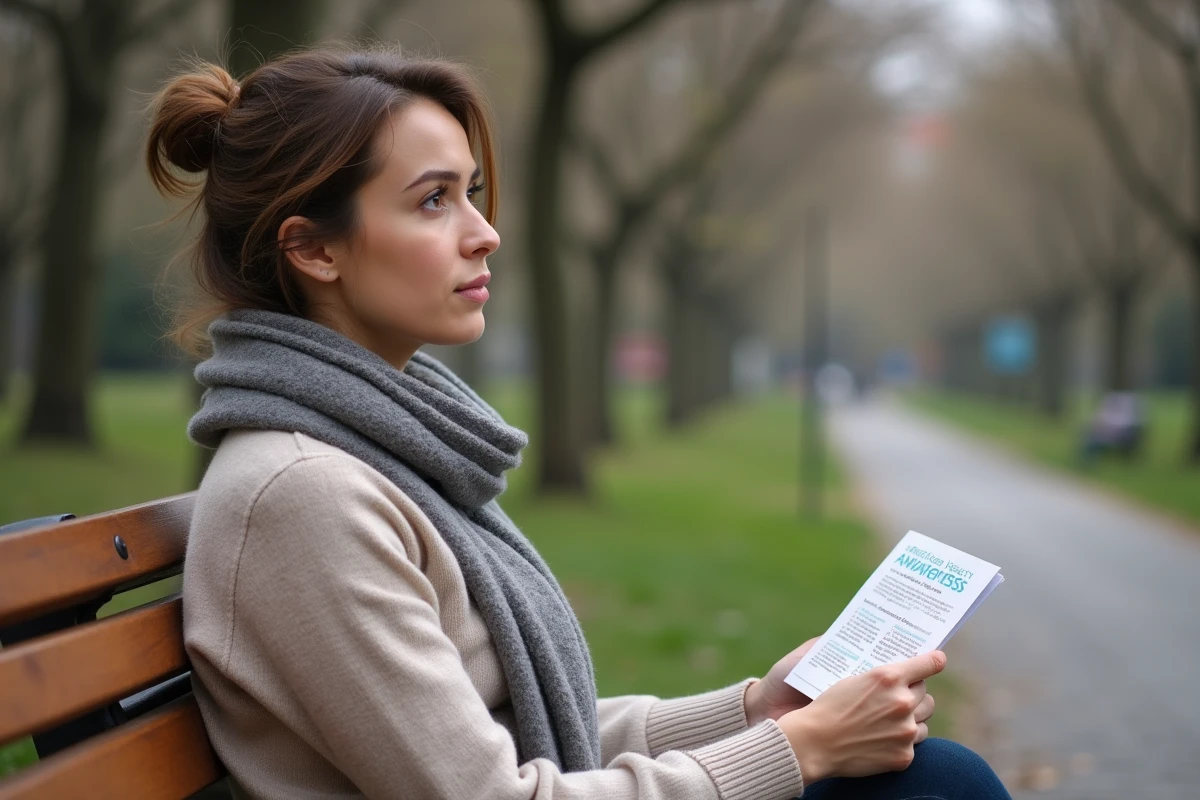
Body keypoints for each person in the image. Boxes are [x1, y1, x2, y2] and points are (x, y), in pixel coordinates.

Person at [148, 48, 1011, 800]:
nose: (485, 234)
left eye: (472, 194)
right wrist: (799, 750)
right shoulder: (306, 494)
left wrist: (759, 710)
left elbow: (514, 738)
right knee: (941, 786)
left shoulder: (375, 453)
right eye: (432, 202)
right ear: (314, 249)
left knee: (933, 779)